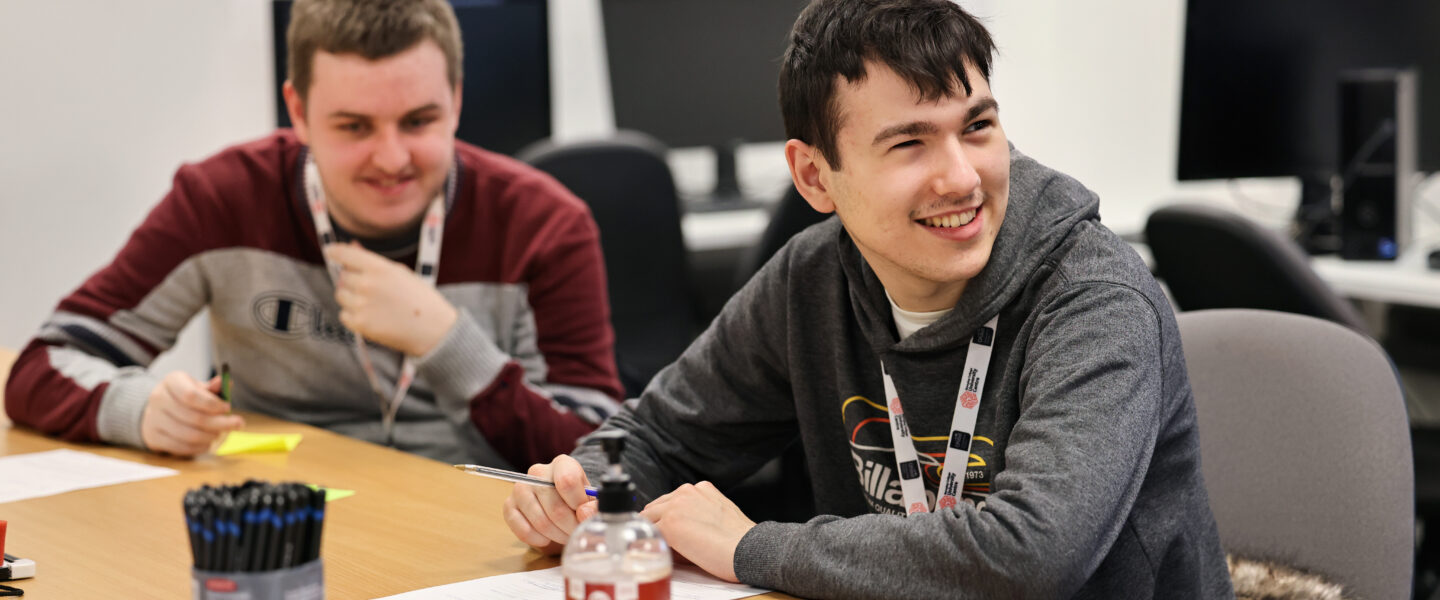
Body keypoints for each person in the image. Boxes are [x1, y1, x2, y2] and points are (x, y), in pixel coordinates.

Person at [501, 0, 1234, 597]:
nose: (961, 178)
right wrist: (582, 492)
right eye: (909, 143)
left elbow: (1032, 556)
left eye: (976, 126)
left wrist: (752, 548)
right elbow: (657, 439)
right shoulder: (811, 278)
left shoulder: (1094, 297)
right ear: (815, 177)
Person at [4, 0, 623, 468]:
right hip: (280, 507)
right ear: (297, 111)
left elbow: (600, 453)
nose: (391, 158)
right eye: (354, 126)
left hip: (473, 523)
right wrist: (141, 412)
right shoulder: (223, 198)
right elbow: (40, 368)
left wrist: (446, 341)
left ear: (456, 101)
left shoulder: (545, 224)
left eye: (418, 120)